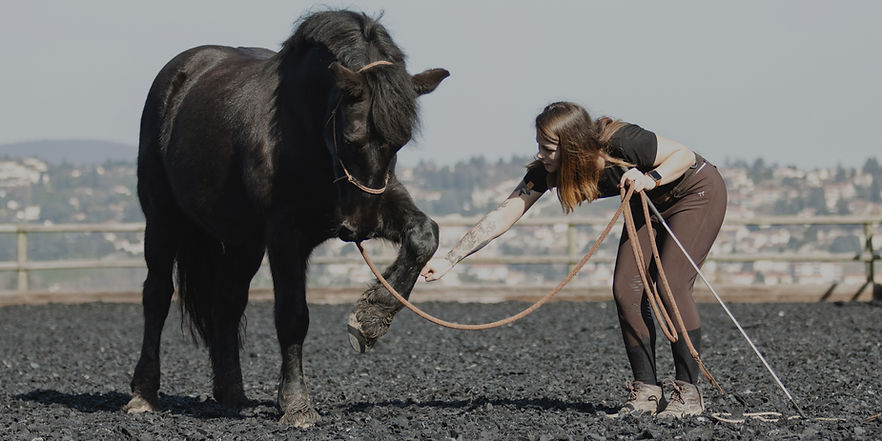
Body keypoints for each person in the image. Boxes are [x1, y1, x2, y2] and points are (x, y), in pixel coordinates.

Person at [420, 101, 727, 417]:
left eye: (548, 148)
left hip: (695, 193)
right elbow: (505, 214)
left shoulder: (621, 140)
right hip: (645, 203)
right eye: (539, 145)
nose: (541, 154)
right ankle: (647, 392)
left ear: (574, 144)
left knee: (670, 286)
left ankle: (689, 394)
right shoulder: (547, 172)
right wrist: (450, 259)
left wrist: (653, 177)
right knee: (626, 290)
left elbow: (684, 156)